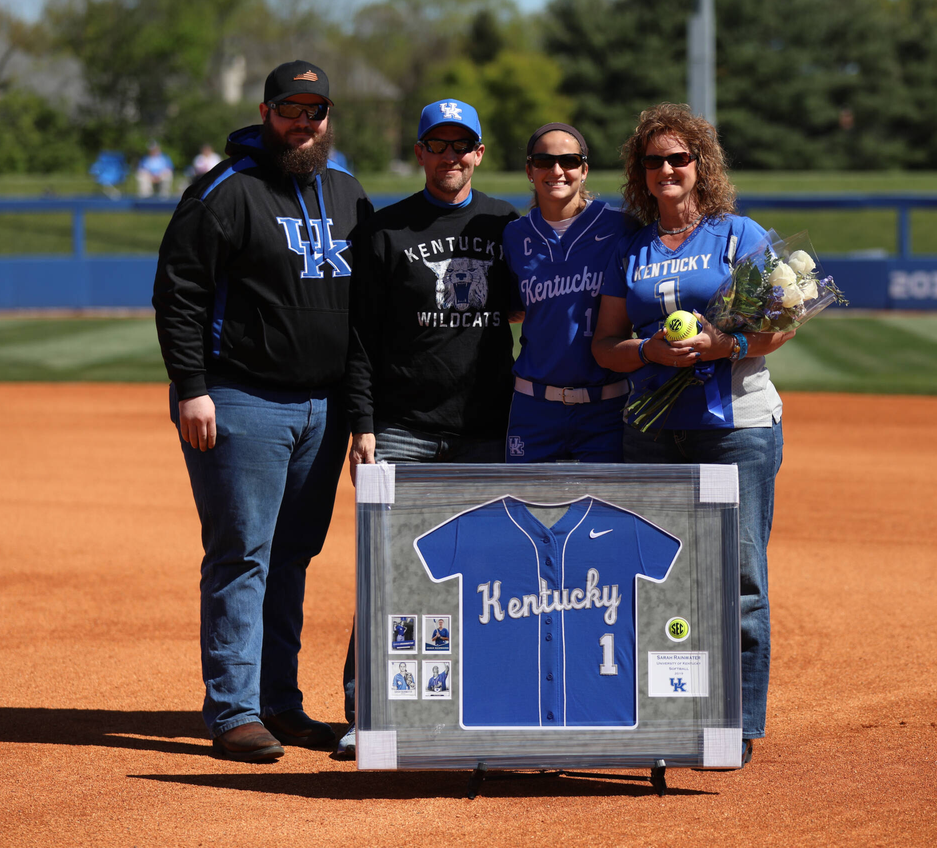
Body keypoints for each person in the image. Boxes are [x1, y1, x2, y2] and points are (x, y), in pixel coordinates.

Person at [153, 60, 372, 763]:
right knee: (242, 555)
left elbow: (366, 309)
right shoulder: (225, 190)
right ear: (266, 110)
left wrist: (359, 412)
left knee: (292, 558)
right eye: (291, 109)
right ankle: (234, 711)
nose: (304, 122)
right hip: (241, 400)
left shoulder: (345, 191)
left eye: (316, 110)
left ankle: (280, 703)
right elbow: (179, 292)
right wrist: (192, 387)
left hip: (324, 408)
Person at [591, 103, 795, 766]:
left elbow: (783, 324)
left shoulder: (739, 236)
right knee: (657, 575)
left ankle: (735, 724)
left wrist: (727, 343)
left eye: (679, 157)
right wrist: (647, 352)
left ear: (701, 164)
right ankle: (668, 710)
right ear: (640, 173)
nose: (667, 169)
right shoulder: (631, 247)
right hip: (653, 427)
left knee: (738, 577)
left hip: (734, 425)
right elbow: (605, 346)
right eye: (654, 161)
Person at [336, 98, 520, 757]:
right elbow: (358, 340)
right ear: (420, 153)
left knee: (490, 575)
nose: (450, 156)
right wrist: (363, 423)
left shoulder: (507, 225)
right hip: (404, 426)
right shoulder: (387, 232)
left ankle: (484, 703)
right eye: (437, 145)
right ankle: (367, 710)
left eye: (461, 145)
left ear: (478, 153)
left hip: (486, 426)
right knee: (389, 570)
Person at [502, 122, 637, 463]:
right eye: (544, 161)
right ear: (530, 171)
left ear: (584, 169)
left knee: (605, 515)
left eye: (569, 161)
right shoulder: (515, 236)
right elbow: (514, 308)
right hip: (534, 406)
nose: (557, 170)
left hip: (606, 407)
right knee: (523, 512)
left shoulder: (620, 227)